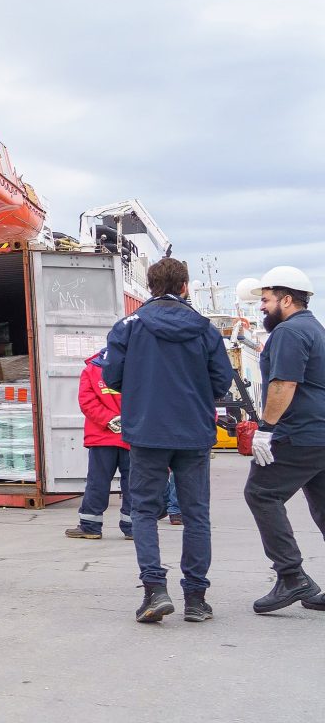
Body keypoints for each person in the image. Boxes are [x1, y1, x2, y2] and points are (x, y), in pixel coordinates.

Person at [103, 257, 230, 624]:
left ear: (150, 286)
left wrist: (143, 390)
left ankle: (155, 590)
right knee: (195, 514)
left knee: (144, 511)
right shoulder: (205, 329)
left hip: (147, 431)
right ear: (186, 286)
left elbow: (111, 375)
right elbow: (221, 381)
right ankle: (196, 598)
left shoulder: (128, 327)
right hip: (193, 432)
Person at [241, 266, 325, 615]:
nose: (261, 307)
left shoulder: (289, 332)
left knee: (261, 493)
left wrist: (265, 428)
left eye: (265, 300)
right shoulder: (315, 329)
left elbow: (283, 384)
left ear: (286, 299)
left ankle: (292, 576)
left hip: (302, 433)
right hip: (319, 433)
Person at [65, 348, 133, 541]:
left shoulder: (92, 369)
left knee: (98, 481)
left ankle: (90, 526)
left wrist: (109, 420)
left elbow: (87, 402)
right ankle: (133, 527)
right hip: (132, 436)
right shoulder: (139, 366)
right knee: (133, 483)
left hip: (102, 436)